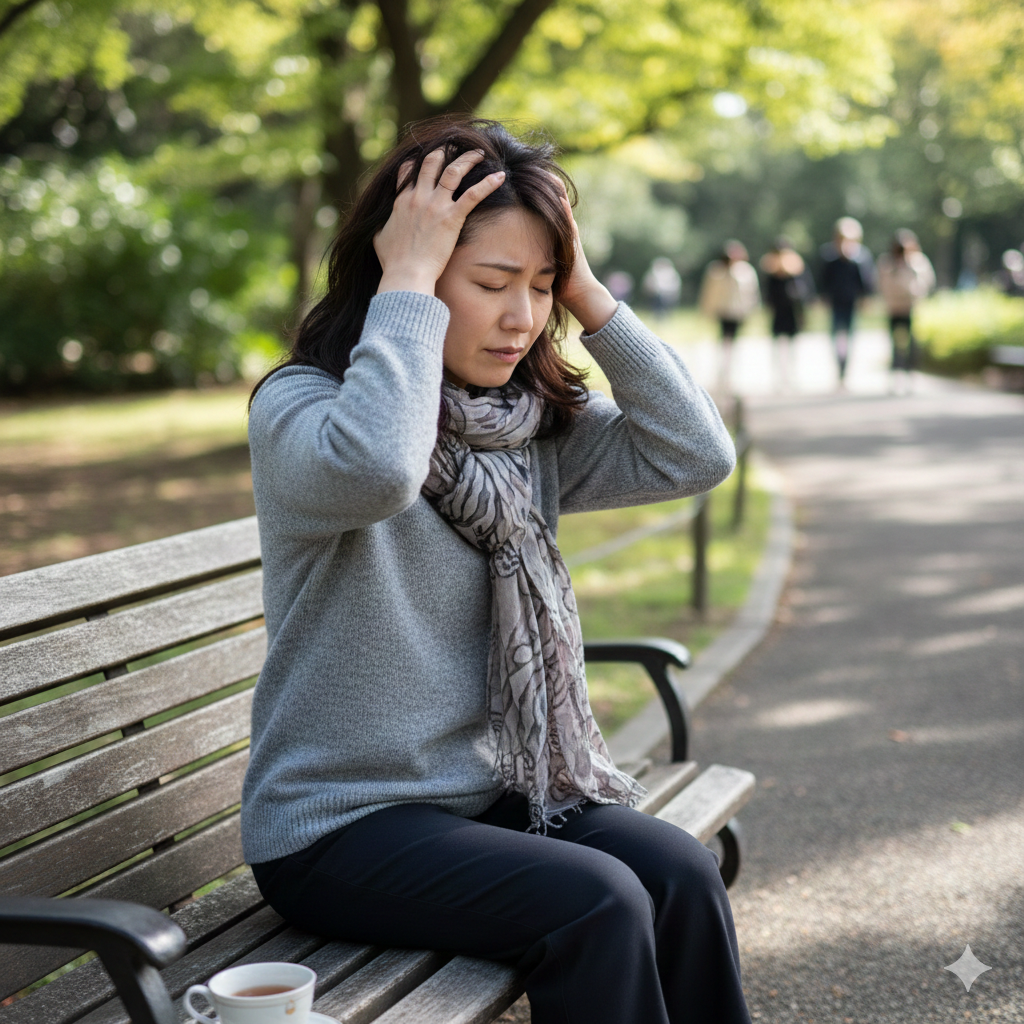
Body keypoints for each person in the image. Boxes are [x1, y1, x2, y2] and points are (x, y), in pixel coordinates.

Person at [242, 118, 750, 1024]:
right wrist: (405, 279)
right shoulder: (304, 413)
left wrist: (589, 292)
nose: (524, 318)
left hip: (489, 797)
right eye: (490, 283)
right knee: (601, 901)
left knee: (677, 874)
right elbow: (382, 470)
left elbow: (696, 455)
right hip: (338, 828)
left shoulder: (521, 427)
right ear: (409, 270)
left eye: (541, 286)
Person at [876, 229, 935, 394]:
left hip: (911, 308)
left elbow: (926, 283)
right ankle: (894, 378)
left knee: (912, 346)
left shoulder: (918, 262)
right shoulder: (887, 263)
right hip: (894, 308)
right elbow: (882, 284)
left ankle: (911, 377)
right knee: (894, 346)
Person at [819, 216, 875, 386]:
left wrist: (866, 298)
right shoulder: (829, 255)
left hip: (852, 301)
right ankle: (839, 367)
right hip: (835, 301)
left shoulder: (861, 256)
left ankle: (845, 369)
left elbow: (867, 280)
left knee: (850, 336)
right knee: (836, 335)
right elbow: (823, 279)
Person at [699, 240, 760, 392]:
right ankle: (722, 372)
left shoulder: (745, 271)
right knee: (724, 341)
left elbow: (751, 293)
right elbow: (709, 292)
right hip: (723, 311)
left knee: (733, 342)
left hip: (738, 312)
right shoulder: (716, 270)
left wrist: (751, 310)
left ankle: (731, 372)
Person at [760, 237, 813, 391]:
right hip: (778, 311)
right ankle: (779, 376)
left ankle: (791, 375)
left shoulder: (796, 267)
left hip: (791, 311)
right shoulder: (771, 270)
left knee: (792, 346)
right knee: (778, 345)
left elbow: (806, 290)